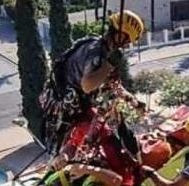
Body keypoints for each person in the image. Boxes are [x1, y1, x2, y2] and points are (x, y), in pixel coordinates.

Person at [40, 10, 146, 155]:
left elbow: (114, 85)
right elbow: (87, 85)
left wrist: (135, 102)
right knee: (81, 146)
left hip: (74, 106)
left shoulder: (103, 50)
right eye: (127, 41)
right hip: (64, 110)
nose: (126, 46)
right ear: (120, 35)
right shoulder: (96, 53)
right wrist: (109, 65)